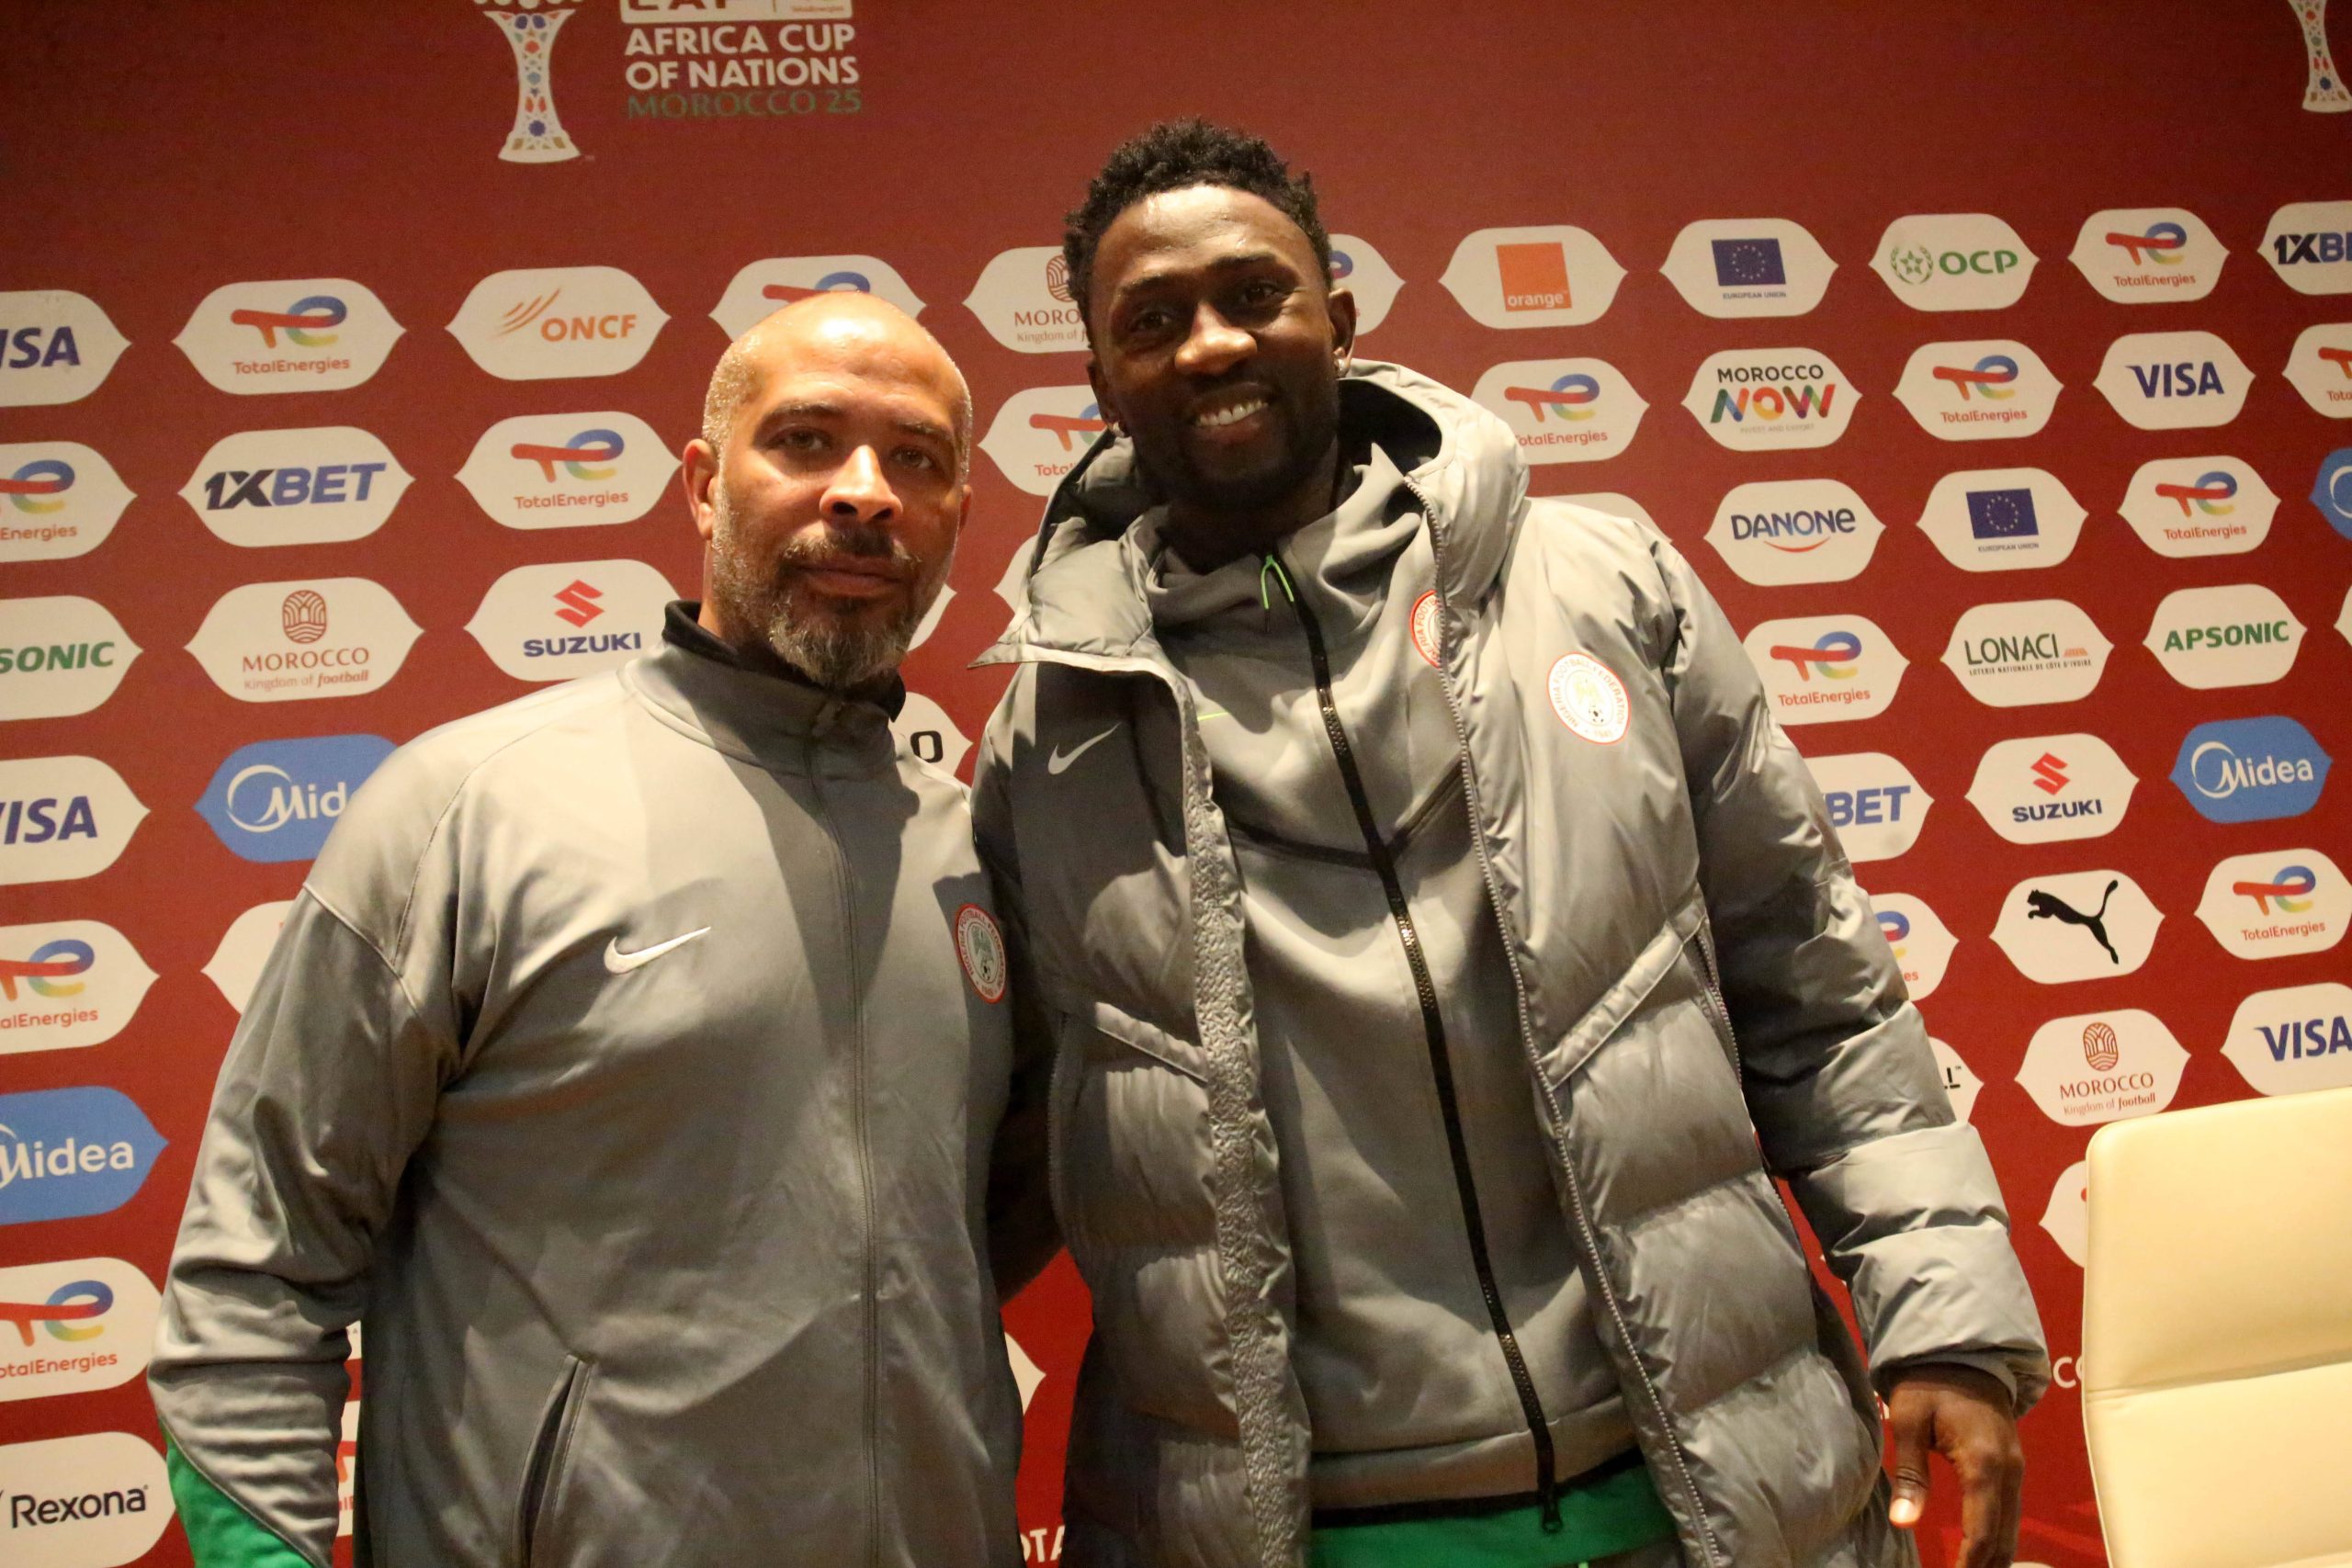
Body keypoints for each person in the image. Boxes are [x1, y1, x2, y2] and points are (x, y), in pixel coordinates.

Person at [972, 120, 2048, 1568]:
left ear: (1339, 319)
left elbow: (1818, 988)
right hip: (1309, 1529)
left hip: (1701, 1481)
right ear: (1100, 377)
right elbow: (1006, 1136)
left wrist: (1950, 1316)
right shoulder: (1052, 735)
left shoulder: (1606, 585)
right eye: (1152, 322)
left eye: (1254, 296)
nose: (1212, 344)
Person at [152, 293, 1044, 1567]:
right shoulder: (467, 808)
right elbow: (259, 1268)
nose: (865, 493)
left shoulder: (977, 852)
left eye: (917, 459)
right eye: (804, 441)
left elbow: (968, 1233)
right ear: (701, 481)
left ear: (960, 511)